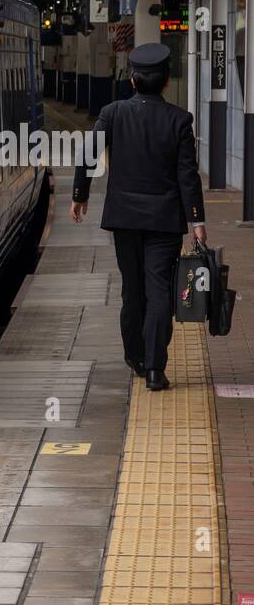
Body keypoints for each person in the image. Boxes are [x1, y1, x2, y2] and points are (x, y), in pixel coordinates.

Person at [71, 43, 206, 391]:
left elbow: (89, 154)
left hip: (125, 219)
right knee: (160, 291)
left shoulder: (113, 113)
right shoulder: (179, 120)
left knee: (133, 290)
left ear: (131, 79)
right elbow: (187, 176)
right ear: (165, 83)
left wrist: (79, 196)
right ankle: (155, 370)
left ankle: (136, 357)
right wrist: (197, 220)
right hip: (164, 222)